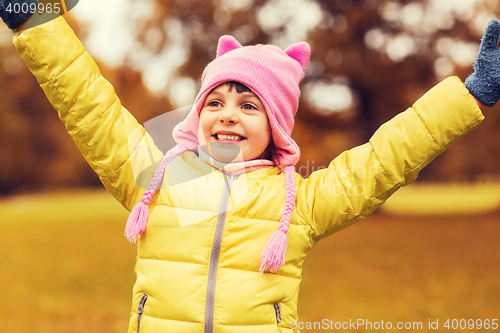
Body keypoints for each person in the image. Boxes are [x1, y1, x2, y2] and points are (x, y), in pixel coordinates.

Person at [1, 3, 499, 332]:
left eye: (248, 104)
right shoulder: (156, 179)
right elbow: (89, 107)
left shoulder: (299, 205)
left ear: (275, 126)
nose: (227, 114)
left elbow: (384, 160)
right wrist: (33, 23)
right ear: (198, 114)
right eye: (214, 101)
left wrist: (471, 94)